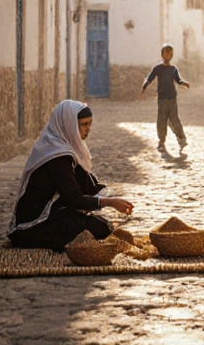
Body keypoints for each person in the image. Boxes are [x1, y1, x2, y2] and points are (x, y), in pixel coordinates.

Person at [8, 100, 134, 250]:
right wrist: (110, 202)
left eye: (89, 124)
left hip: (52, 212)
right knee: (97, 228)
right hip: (32, 226)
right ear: (69, 125)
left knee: (100, 224)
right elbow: (73, 198)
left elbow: (82, 183)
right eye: (83, 125)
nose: (88, 130)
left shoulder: (63, 149)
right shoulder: (57, 156)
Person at [140, 44, 191, 152]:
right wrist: (144, 87)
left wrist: (184, 83)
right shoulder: (157, 68)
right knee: (161, 121)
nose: (167, 55)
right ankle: (161, 142)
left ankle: (182, 139)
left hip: (172, 98)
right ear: (162, 54)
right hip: (162, 99)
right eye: (166, 53)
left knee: (174, 120)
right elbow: (150, 78)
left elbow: (178, 80)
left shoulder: (173, 69)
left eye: (170, 53)